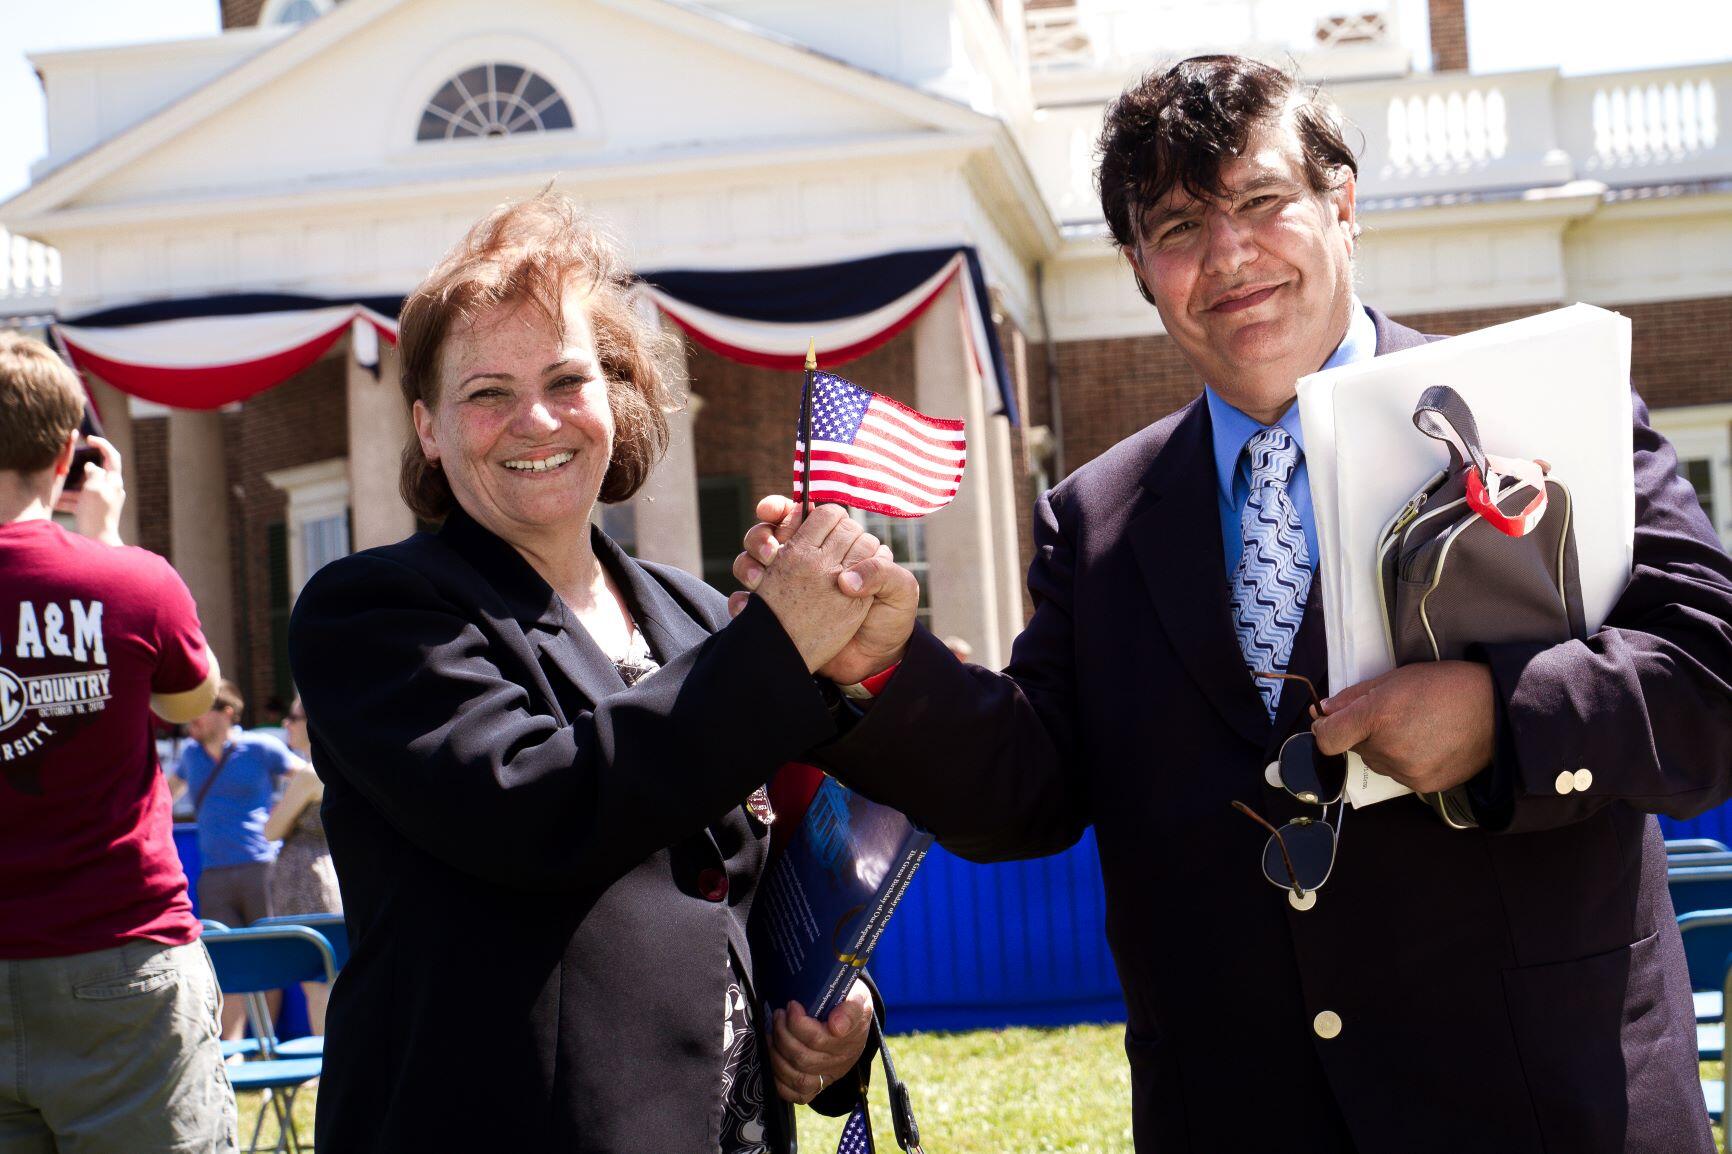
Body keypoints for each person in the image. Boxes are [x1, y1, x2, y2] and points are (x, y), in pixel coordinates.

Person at [735, 56, 1732, 1154]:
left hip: (1550, 1108)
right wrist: (887, 659)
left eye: (1262, 202)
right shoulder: (1095, 518)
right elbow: (1026, 794)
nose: (1228, 255)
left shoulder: (1535, 406)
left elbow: (1709, 676)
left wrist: (1501, 718)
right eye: (1176, 226)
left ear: (1342, 204)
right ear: (1137, 268)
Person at [287, 192, 915, 1152]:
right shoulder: (371, 613)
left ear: (613, 400)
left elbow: (766, 874)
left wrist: (833, 1006)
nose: (536, 420)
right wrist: (780, 646)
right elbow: (539, 807)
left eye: (566, 380)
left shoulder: (700, 615)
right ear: (427, 428)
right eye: (486, 393)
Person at [0, 332, 234, 1152]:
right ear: (69, 453)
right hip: (121, 961)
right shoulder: (133, 580)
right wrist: (106, 541)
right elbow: (192, 701)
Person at [169, 678, 303, 1040]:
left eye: (199, 712)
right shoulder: (189, 756)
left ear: (226, 713)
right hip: (213, 873)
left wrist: (287, 820)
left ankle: (266, 1043)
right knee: (226, 962)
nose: (189, 721)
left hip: (262, 867)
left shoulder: (260, 747)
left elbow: (306, 778)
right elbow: (165, 796)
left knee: (267, 957)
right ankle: (234, 1050)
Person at [262, 694, 341, 1034]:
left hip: (304, 877)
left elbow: (271, 830)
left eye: (292, 718)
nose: (285, 724)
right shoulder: (340, 764)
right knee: (330, 974)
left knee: (316, 980)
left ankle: (322, 1061)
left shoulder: (310, 774)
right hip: (329, 872)